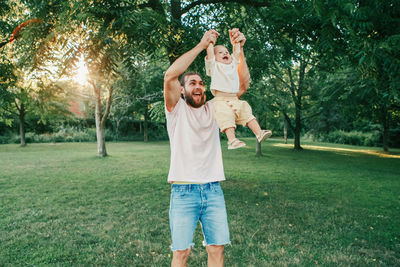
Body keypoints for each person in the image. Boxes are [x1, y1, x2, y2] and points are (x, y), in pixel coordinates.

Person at [163, 28, 249, 267]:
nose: (198, 86)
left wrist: (238, 53)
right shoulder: (175, 110)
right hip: (183, 192)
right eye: (192, 83)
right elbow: (170, 75)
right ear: (182, 90)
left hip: (213, 191)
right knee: (181, 253)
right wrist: (202, 45)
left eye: (201, 82)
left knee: (217, 250)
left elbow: (240, 87)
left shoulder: (215, 108)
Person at [205, 30, 272, 149]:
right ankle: (232, 140)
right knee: (226, 117)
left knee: (246, 112)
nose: (225, 53)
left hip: (235, 98)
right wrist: (210, 42)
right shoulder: (214, 66)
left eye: (226, 52)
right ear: (214, 58)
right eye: (220, 53)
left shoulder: (232, 65)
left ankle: (259, 133)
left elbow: (236, 52)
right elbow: (210, 53)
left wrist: (236, 42)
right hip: (220, 100)